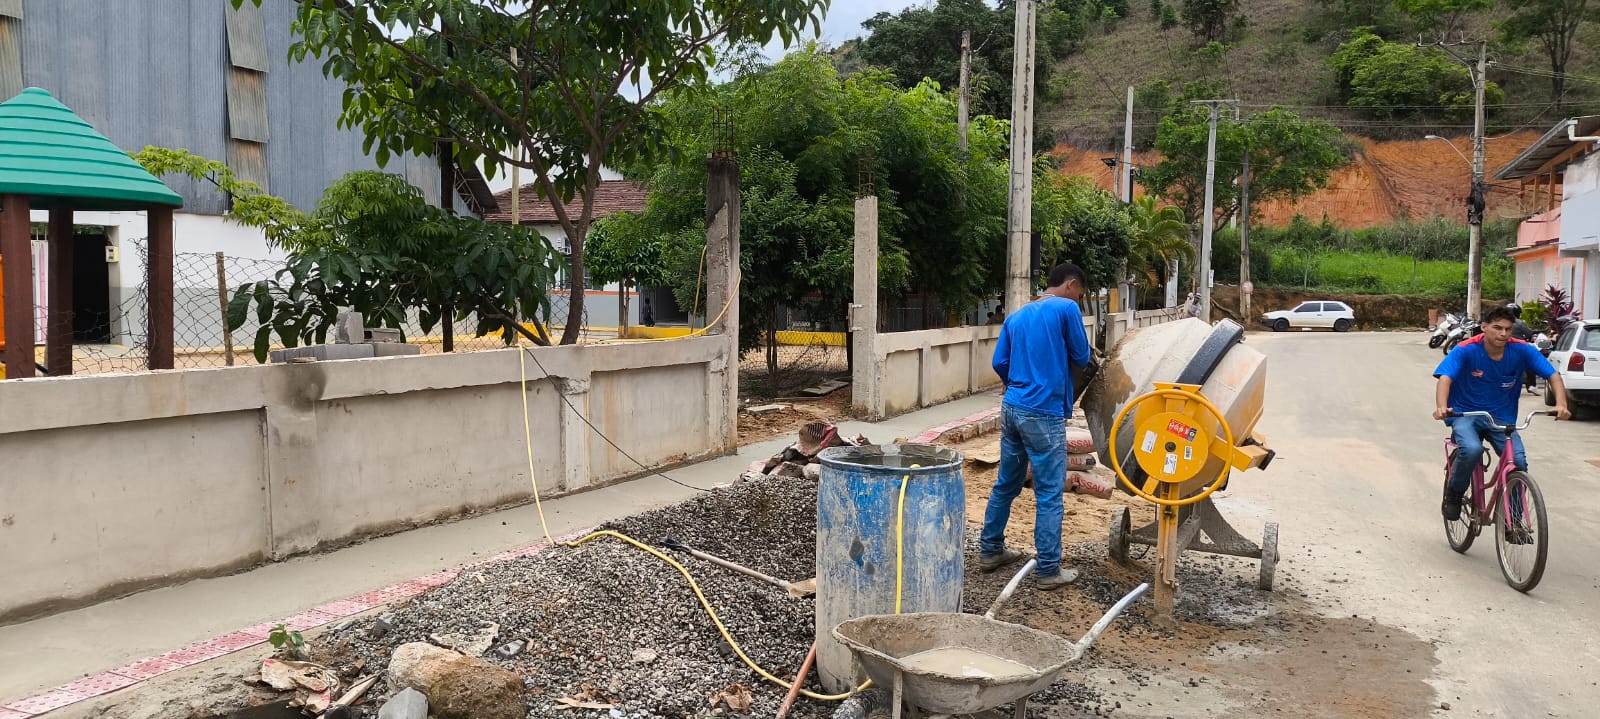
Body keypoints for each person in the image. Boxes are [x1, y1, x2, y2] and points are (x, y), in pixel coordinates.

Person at [980, 263, 1093, 589]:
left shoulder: (1016, 316)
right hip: (1043, 413)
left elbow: (999, 362)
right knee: (1048, 493)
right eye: (1081, 294)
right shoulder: (1066, 308)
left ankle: (990, 551)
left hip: (1012, 408)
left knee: (1006, 483)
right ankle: (1047, 570)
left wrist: (1016, 383)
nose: (1079, 300)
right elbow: (1082, 356)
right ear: (1071, 284)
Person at [1433, 304, 1570, 521]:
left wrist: (1561, 404)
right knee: (1471, 449)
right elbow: (1445, 378)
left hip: (1501, 418)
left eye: (1507, 329)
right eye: (1497, 328)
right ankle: (1455, 493)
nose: (1503, 333)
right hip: (1464, 414)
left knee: (1518, 462)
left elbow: (1553, 376)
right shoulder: (1466, 349)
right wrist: (1442, 407)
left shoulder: (1522, 350)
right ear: (1484, 327)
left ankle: (1514, 520)